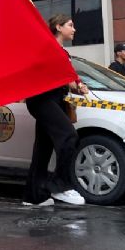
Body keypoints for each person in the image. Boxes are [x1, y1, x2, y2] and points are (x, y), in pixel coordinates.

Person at [23, 14, 88, 207]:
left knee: (43, 148)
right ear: (58, 27)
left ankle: (34, 196)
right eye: (70, 25)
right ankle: (61, 186)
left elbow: (65, 76)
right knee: (69, 136)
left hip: (55, 99)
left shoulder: (61, 51)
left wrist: (77, 85)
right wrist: (74, 83)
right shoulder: (47, 47)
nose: (74, 29)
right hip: (41, 100)